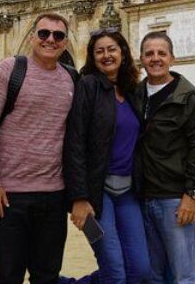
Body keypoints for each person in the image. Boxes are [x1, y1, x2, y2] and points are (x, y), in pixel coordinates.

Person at [0, 13, 76, 284]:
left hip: (54, 197)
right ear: (32, 37)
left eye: (58, 35)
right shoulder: (9, 70)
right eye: (43, 33)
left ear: (66, 42)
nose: (50, 40)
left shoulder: (72, 80)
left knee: (47, 276)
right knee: (7, 276)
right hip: (10, 197)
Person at [64, 28, 151, 284]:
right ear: (92, 57)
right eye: (99, 51)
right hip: (95, 194)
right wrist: (78, 198)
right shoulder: (88, 86)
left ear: (123, 53)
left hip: (127, 193)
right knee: (114, 271)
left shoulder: (133, 91)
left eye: (111, 49)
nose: (106, 55)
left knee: (140, 270)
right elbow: (75, 141)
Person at [138, 31, 195, 284]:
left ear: (172, 58)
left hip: (173, 199)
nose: (155, 58)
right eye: (149, 53)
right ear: (141, 59)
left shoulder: (189, 97)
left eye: (161, 53)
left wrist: (192, 195)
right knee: (152, 275)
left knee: (184, 275)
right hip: (141, 198)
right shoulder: (135, 95)